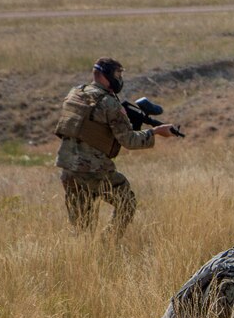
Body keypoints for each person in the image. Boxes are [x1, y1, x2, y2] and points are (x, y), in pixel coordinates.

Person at [53, 57, 177, 238]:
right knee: (126, 203)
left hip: (68, 167)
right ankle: (107, 243)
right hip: (95, 169)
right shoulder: (109, 102)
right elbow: (129, 140)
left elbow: (89, 126)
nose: (120, 78)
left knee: (81, 226)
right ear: (106, 75)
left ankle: (82, 257)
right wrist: (156, 132)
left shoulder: (76, 93)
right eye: (118, 73)